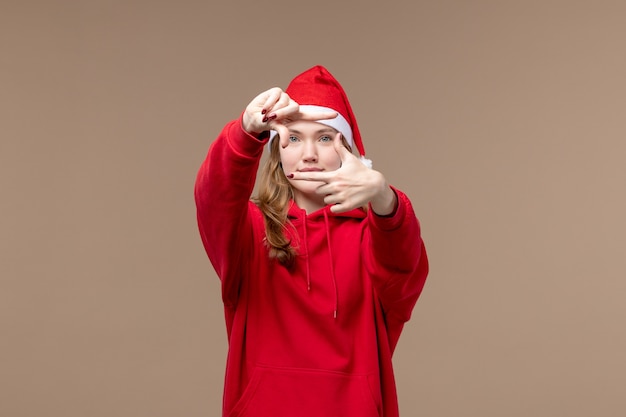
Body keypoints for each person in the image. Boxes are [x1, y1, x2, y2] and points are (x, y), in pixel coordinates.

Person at [194, 65, 429, 417]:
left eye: (324, 137)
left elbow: (405, 266)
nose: (308, 154)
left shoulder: (373, 237)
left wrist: (384, 198)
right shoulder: (250, 232)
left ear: (349, 151)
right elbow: (213, 197)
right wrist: (244, 131)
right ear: (277, 151)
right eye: (292, 138)